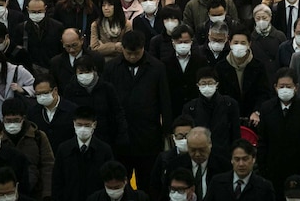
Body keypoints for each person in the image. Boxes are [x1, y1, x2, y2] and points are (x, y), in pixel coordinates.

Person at [102, 29, 171, 193]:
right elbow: (105, 102)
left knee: (148, 185)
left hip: (148, 138)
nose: (132, 57)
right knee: (119, 184)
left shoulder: (157, 67)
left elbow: (165, 101)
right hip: (119, 139)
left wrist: (167, 131)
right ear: (122, 49)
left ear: (143, 48)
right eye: (128, 53)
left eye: (136, 53)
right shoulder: (111, 68)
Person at [255, 67, 300, 197]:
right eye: (281, 86)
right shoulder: (267, 108)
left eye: (288, 86)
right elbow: (262, 141)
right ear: (275, 87)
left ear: (296, 87)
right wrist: (263, 169)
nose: (284, 90)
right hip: (273, 171)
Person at [52, 106, 115, 201]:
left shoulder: (104, 150)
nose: (83, 129)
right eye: (79, 125)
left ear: (94, 125)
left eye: (87, 125)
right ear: (73, 124)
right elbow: (57, 180)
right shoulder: (64, 149)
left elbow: (109, 179)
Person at [214, 25, 272, 122]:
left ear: (249, 44)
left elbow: (264, 93)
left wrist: (257, 111)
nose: (239, 46)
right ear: (229, 43)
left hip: (253, 119)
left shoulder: (258, 66)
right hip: (228, 118)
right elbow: (218, 94)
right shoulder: (220, 66)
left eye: (243, 43)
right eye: (236, 43)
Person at [0, 97, 55, 200]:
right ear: (3, 119)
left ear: (23, 118)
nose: (12, 124)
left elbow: (48, 166)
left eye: (16, 120)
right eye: (8, 120)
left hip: (34, 194)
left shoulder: (38, 137)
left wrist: (47, 195)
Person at [181, 67, 240, 161]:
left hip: (224, 155)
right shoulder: (190, 108)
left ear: (217, 84)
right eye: (203, 83)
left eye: (210, 83)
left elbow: (236, 134)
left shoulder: (230, 104)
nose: (207, 86)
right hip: (200, 155)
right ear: (198, 85)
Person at [207, 139, 276, 201]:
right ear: (231, 160)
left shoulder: (264, 188)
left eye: (245, 159)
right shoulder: (217, 183)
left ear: (253, 159)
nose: (241, 164)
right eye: (237, 159)